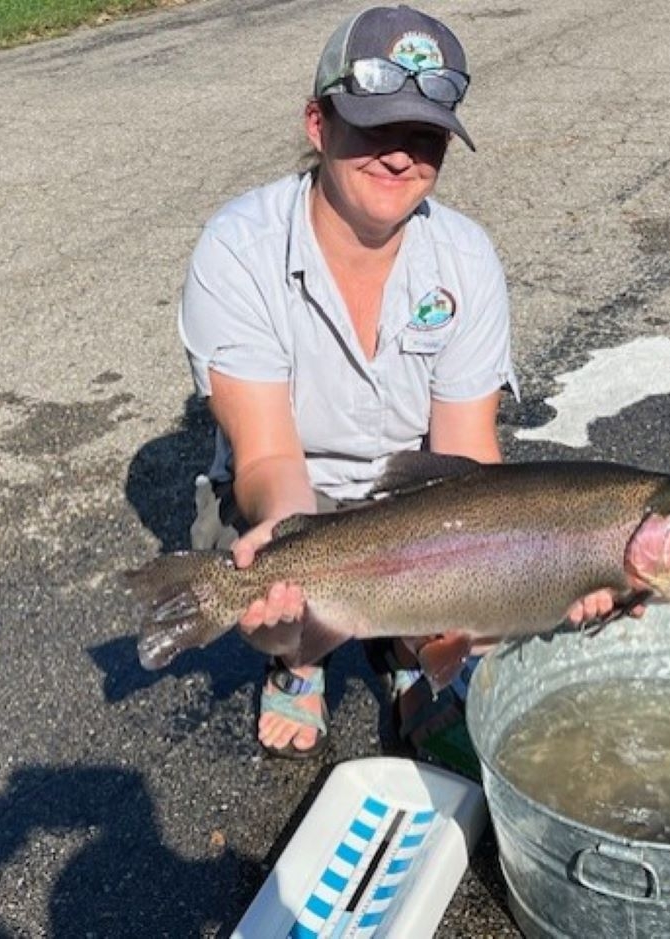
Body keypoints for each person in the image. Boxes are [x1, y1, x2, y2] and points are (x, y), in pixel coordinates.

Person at [177, 5, 634, 762]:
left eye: (424, 137)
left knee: (495, 611)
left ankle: (415, 642)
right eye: (374, 129)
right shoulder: (238, 249)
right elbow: (267, 457)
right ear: (318, 124)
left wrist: (530, 581)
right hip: (293, 492)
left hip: (418, 501)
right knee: (275, 598)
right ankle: (301, 656)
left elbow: (467, 453)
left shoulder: (466, 258)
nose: (399, 157)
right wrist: (289, 563)